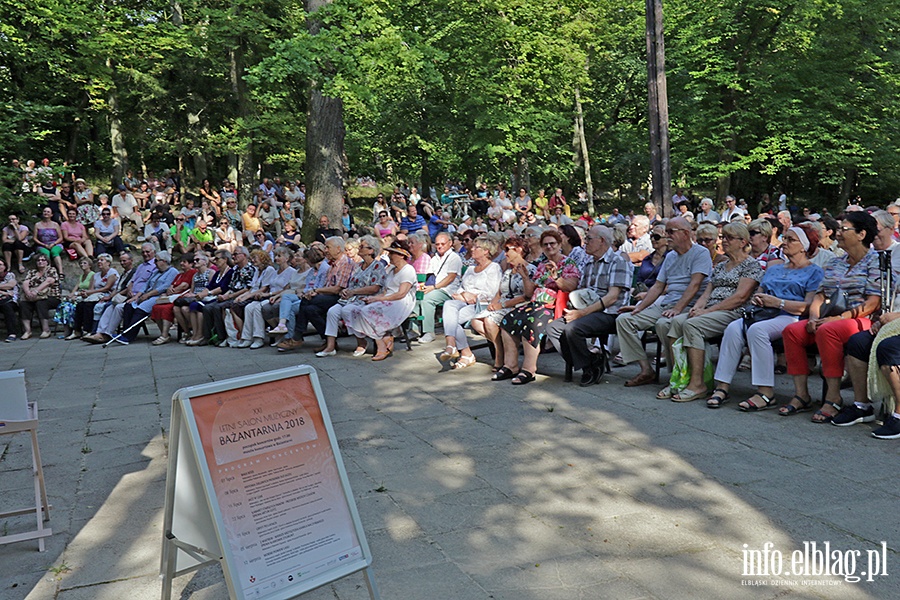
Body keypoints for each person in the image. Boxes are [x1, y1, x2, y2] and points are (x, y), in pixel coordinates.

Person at [708, 225, 824, 409]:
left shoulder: (814, 271)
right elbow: (759, 292)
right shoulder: (774, 269)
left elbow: (807, 306)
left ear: (803, 246)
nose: (784, 242)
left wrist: (778, 303)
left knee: (757, 330)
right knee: (733, 328)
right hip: (764, 313)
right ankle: (722, 386)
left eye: (790, 240)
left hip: (790, 316)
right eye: (784, 238)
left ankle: (765, 392)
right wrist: (758, 299)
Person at [780, 211, 881, 421]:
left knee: (828, 330)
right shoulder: (836, 262)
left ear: (861, 234)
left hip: (861, 319)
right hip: (830, 318)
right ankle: (802, 395)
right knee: (792, 331)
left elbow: (873, 302)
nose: (839, 233)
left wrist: (839, 318)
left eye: (845, 229)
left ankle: (833, 398)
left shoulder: (875, 261)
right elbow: (820, 294)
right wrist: (814, 317)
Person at [658, 223, 763, 401]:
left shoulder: (751, 265)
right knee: (675, 322)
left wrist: (707, 311)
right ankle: (679, 379)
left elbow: (740, 297)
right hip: (711, 310)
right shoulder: (722, 266)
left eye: (729, 238)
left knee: (692, 325)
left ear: (742, 241)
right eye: (723, 237)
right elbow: (707, 293)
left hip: (733, 311)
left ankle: (698, 384)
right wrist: (697, 307)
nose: (724, 241)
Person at [615, 217, 713, 387]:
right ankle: (646, 370)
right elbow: (658, 286)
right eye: (666, 232)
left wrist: (678, 308)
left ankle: (677, 375)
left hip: (689, 305)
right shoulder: (670, 256)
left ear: (686, 233)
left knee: (664, 323)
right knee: (625, 320)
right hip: (666, 305)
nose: (667, 236)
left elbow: (695, 284)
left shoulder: (700, 253)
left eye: (670, 232)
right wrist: (640, 307)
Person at [544, 225, 632, 386]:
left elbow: (612, 298)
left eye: (589, 239)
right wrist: (575, 308)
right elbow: (581, 290)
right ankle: (590, 362)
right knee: (553, 328)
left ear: (602, 241)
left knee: (572, 329)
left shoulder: (618, 262)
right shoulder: (589, 262)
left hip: (610, 313)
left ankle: (588, 367)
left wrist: (582, 313)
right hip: (588, 311)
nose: (585, 242)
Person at [496, 230, 581, 385]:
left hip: (553, 306)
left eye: (552, 243)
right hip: (535, 304)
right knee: (508, 320)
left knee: (531, 322)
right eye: (546, 244)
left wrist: (556, 277)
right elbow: (529, 293)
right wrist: (524, 277)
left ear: (559, 244)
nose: (549, 247)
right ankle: (511, 365)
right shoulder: (541, 265)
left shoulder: (568, 263)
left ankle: (529, 369)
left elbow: (571, 286)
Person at [342, 240, 417, 361]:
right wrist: (374, 298)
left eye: (392, 253)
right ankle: (385, 336)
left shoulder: (408, 270)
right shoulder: (391, 270)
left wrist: (378, 298)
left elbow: (401, 294)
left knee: (366, 311)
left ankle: (381, 344)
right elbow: (385, 291)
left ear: (401, 255)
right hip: (389, 299)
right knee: (355, 310)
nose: (389, 256)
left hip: (401, 302)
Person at [277, 237, 354, 351]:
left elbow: (338, 288)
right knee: (310, 309)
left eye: (328, 247)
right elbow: (327, 286)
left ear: (338, 249)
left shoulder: (345, 263)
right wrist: (314, 293)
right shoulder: (332, 264)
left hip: (341, 297)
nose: (325, 250)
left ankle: (297, 337)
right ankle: (328, 341)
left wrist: (316, 291)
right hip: (328, 296)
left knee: (306, 301)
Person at [437, 237, 502, 369]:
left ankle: (464, 352)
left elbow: (493, 292)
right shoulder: (471, 269)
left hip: (481, 305)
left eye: (476, 247)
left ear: (486, 251)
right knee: (449, 304)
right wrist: (462, 295)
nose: (472, 249)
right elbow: (462, 287)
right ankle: (451, 344)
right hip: (464, 301)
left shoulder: (493, 268)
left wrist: (473, 296)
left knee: (451, 320)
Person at [316, 236, 386, 357]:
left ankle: (361, 341)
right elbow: (352, 284)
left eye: (362, 247)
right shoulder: (358, 266)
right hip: (353, 298)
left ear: (371, 250)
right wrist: (347, 291)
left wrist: (354, 292)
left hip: (368, 299)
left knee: (347, 310)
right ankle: (330, 346)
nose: (359, 248)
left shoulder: (377, 266)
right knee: (332, 311)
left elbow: (375, 288)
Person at [116, 252, 179, 344]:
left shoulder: (173, 272)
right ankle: (125, 332)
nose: (155, 263)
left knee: (140, 310)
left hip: (157, 296)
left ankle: (129, 336)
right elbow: (146, 285)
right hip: (146, 295)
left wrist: (148, 295)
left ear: (164, 261)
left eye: (156, 261)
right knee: (128, 306)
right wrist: (136, 297)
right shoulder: (156, 272)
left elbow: (164, 287)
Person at [236, 248, 294, 349]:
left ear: (287, 258)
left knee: (258, 308)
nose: (276, 258)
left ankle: (259, 337)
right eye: (275, 256)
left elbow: (286, 289)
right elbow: (268, 286)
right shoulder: (275, 272)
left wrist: (268, 294)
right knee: (249, 307)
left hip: (279, 297)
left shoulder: (291, 272)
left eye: (279, 256)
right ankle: (247, 337)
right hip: (269, 296)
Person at [68, 254, 118, 341]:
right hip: (95, 294)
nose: (99, 262)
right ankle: (77, 330)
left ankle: (88, 330)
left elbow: (107, 287)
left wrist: (90, 292)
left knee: (89, 305)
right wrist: (87, 294)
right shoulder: (96, 275)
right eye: (98, 260)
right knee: (80, 305)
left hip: (106, 294)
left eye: (102, 260)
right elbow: (91, 288)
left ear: (108, 263)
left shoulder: (112, 273)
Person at [150, 253, 197, 344]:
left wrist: (173, 290)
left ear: (191, 264)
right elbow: (170, 287)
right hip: (173, 296)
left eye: (185, 262)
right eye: (181, 262)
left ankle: (168, 335)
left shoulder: (192, 272)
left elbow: (184, 286)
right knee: (156, 307)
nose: (182, 264)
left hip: (180, 297)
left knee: (166, 308)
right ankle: (164, 333)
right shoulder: (179, 275)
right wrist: (171, 289)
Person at [19, 254, 61, 339]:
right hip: (34, 296)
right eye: (38, 260)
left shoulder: (51, 270)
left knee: (41, 303)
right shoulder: (32, 272)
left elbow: (49, 281)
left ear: (47, 262)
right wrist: (27, 292)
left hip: (51, 296)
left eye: (43, 260)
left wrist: (36, 291)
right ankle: (27, 331)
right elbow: (25, 282)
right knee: (24, 304)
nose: (40, 262)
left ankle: (46, 330)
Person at [55, 256, 96, 338]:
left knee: (73, 307)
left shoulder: (92, 275)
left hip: (85, 296)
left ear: (90, 265)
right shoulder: (81, 276)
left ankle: (77, 329)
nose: (82, 265)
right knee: (64, 305)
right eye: (81, 263)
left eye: (84, 263)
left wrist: (77, 295)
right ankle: (68, 329)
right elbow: (75, 288)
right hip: (78, 295)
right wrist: (71, 296)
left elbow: (91, 290)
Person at [33, 206, 65, 276]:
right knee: (46, 253)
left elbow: (60, 237)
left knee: (54, 251)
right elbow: (35, 238)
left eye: (48, 212)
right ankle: (47, 272)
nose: (46, 213)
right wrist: (43, 245)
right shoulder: (37, 224)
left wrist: (54, 244)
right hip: (42, 244)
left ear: (51, 214)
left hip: (55, 243)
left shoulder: (55, 224)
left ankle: (60, 272)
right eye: (44, 211)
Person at [0, 258, 21, 341]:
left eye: (0, 264)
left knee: (7, 306)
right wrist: (5, 292)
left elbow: (11, 285)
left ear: (5, 266)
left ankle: (12, 333)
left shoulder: (10, 275)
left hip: (10, 300)